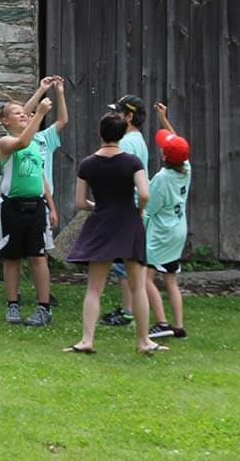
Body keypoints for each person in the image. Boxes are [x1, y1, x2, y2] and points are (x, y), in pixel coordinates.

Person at [63, 113, 165, 354]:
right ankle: (143, 341)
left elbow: (79, 202)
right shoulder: (132, 162)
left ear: (100, 133)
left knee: (94, 287)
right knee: (137, 286)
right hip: (128, 222)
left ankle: (87, 340)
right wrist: (138, 211)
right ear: (122, 134)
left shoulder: (87, 163)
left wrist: (96, 206)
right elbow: (145, 194)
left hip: (101, 224)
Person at [0, 98, 58, 326]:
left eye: (25, 113)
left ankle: (44, 308)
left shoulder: (34, 145)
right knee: (12, 257)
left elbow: (42, 178)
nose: (23, 115)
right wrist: (39, 113)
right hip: (12, 206)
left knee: (38, 256)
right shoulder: (5, 142)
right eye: (16, 113)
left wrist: (51, 205)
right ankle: (13, 304)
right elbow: (21, 143)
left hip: (36, 206)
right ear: (5, 121)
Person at [99, 94, 149, 326]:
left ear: (129, 116)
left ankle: (129, 312)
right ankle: (130, 310)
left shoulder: (127, 143)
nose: (114, 117)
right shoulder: (138, 139)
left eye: (118, 113)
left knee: (124, 265)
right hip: (133, 209)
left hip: (124, 209)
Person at [144, 102, 192, 339]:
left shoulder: (162, 178)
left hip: (161, 233)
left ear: (164, 156)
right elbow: (176, 141)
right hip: (178, 230)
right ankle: (179, 325)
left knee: (146, 278)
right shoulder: (186, 168)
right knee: (171, 279)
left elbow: (150, 208)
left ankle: (162, 323)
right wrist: (164, 118)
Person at [22, 76, 69, 258]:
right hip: (22, 196)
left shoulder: (44, 138)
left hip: (43, 199)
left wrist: (60, 92)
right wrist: (41, 89)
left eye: (35, 115)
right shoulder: (19, 139)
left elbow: (63, 120)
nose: (31, 117)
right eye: (29, 116)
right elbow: (24, 112)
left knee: (41, 248)